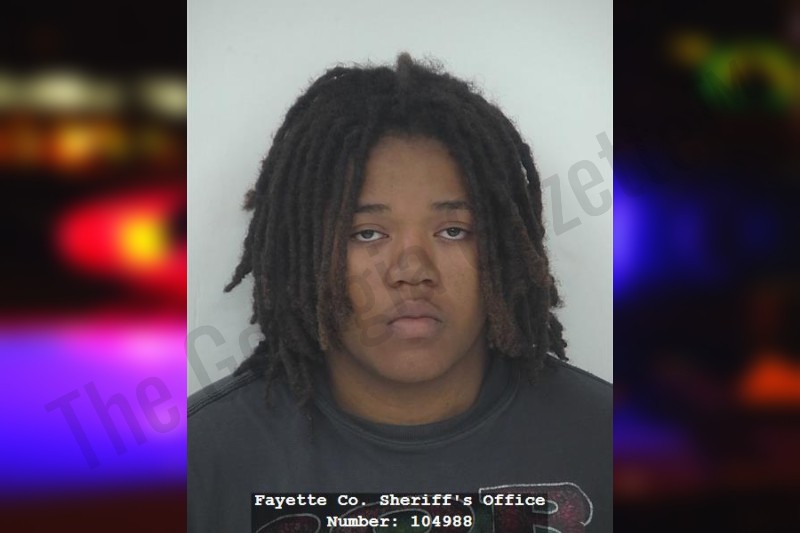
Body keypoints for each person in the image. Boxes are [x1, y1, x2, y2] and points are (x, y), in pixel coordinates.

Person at [188, 53, 611, 532]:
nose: (412, 271)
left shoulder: (608, 440)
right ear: (302, 254)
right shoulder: (201, 460)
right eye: (367, 233)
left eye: (453, 231)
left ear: (507, 252)